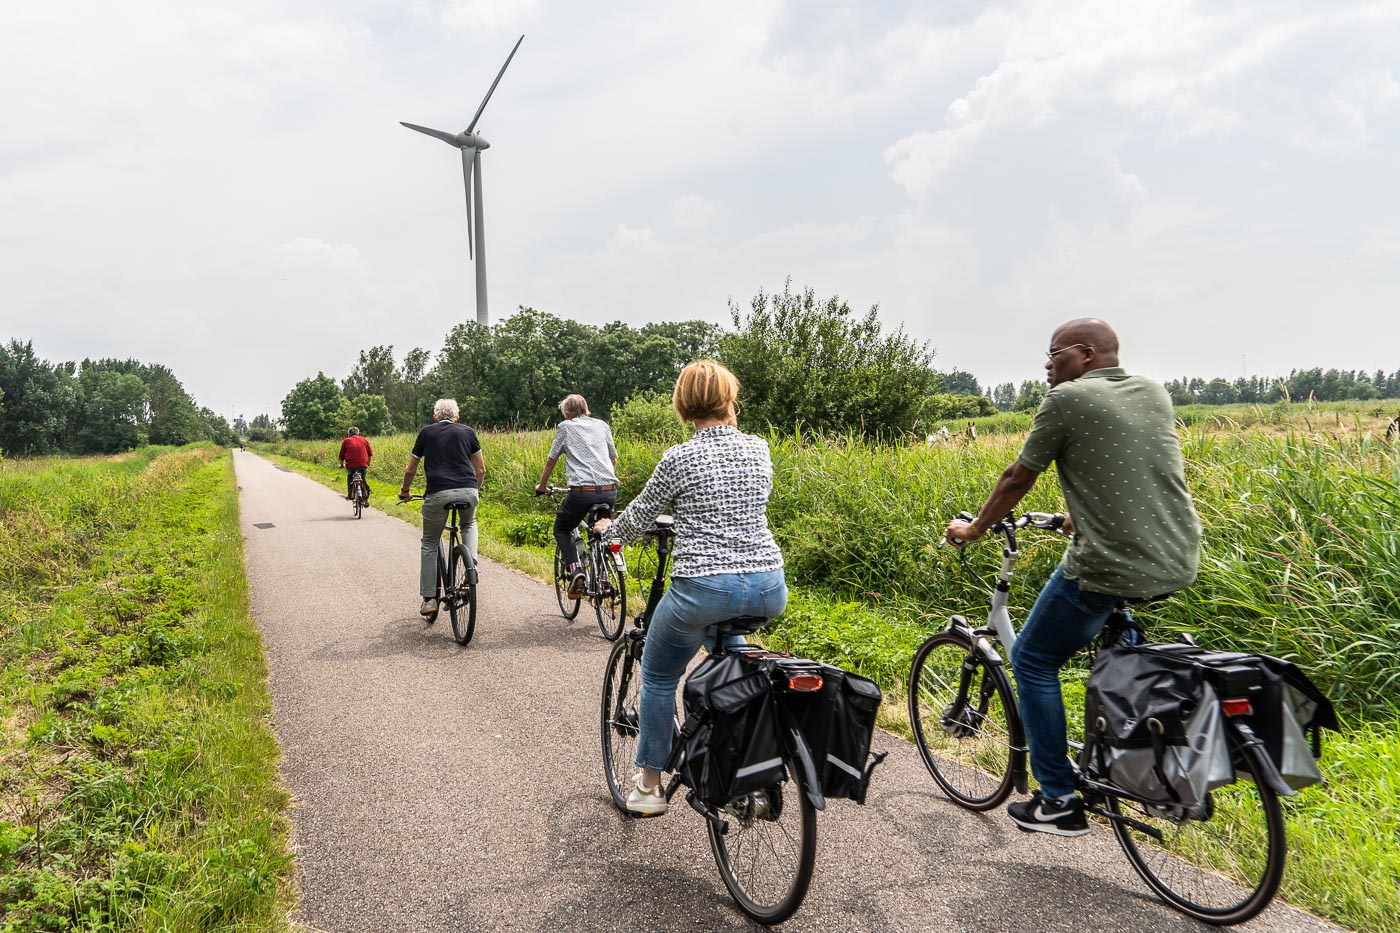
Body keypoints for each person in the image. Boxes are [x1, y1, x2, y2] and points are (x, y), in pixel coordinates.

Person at [944, 318, 1200, 837]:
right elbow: (1125, 467)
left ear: (1084, 355)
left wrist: (974, 528)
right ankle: (1118, 752)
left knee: (1034, 660)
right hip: (1177, 553)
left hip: (1110, 562)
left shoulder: (1065, 400)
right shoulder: (1152, 390)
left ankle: (1058, 798)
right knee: (1113, 653)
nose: (1046, 364)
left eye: (1053, 353)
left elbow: (1018, 476)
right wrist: (1074, 518)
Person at [593, 360, 787, 816]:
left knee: (659, 676)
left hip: (704, 588)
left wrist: (608, 530)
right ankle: (741, 763)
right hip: (767, 586)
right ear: (729, 400)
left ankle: (648, 785)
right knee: (732, 665)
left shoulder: (679, 459)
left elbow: (638, 519)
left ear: (683, 406)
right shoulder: (758, 449)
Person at [398, 399, 485, 617]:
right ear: (456, 417)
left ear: (435, 417)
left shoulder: (426, 432)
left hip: (437, 493)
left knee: (429, 541)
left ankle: (429, 599)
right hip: (468, 490)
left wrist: (405, 491)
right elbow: (481, 469)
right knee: (469, 523)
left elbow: (410, 470)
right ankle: (471, 564)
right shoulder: (468, 432)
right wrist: (475, 491)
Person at [534, 394, 619, 598]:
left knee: (562, 528)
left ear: (568, 414)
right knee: (598, 531)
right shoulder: (602, 425)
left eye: (564, 414)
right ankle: (604, 577)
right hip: (609, 491)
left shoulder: (566, 427)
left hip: (582, 494)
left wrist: (542, 486)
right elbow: (613, 459)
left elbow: (551, 460)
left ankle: (576, 571)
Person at [338, 427, 373, 500]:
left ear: (349, 434)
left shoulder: (346, 441)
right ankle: (366, 493)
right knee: (363, 478)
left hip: (351, 466)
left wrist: (341, 464)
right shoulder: (364, 440)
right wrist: (368, 463)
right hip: (363, 465)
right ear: (358, 433)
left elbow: (341, 455)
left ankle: (350, 495)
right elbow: (370, 454)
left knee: (350, 478)